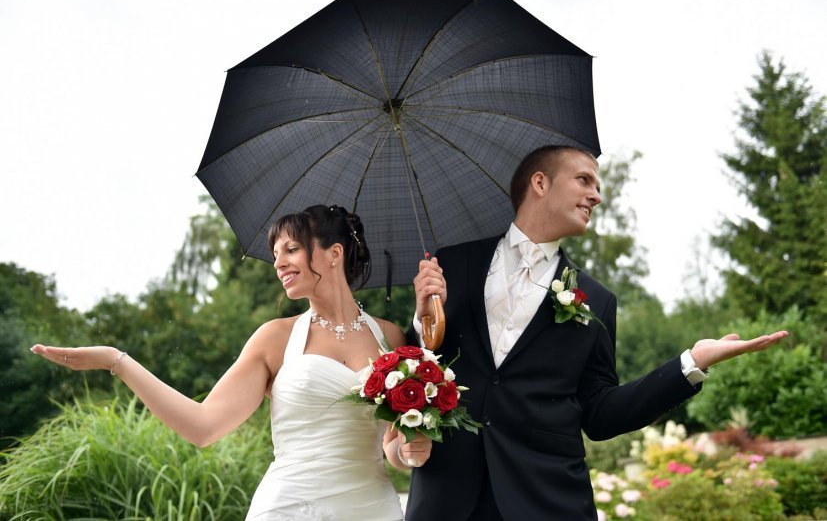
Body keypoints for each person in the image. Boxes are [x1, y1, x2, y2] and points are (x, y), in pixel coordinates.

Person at [406, 145, 788, 520]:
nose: (597, 196)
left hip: (547, 500)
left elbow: (601, 414)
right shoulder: (448, 265)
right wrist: (423, 323)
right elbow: (414, 374)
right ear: (540, 183)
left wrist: (691, 363)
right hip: (447, 499)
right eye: (584, 180)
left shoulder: (597, 301)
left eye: (598, 186)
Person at [31, 204, 432, 520]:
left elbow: (392, 450)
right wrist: (116, 361)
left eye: (291, 249)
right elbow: (203, 427)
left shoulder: (391, 339)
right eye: (275, 254)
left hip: (371, 510)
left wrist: (412, 451)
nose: (278, 263)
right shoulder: (275, 338)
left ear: (334, 254)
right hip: (291, 508)